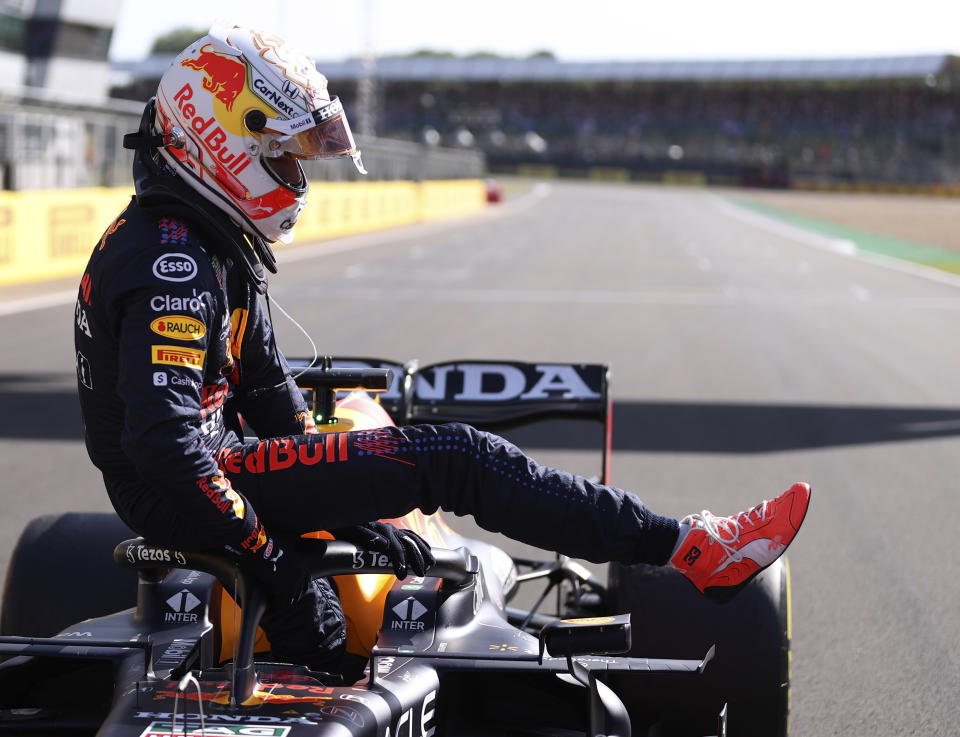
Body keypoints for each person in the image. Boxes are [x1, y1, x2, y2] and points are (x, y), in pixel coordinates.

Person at [74, 23, 810, 678]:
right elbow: (167, 446)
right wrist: (277, 572)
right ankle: (689, 548)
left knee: (415, 468)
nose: (298, 175)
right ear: (223, 140)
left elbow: (268, 394)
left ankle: (680, 543)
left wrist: (348, 510)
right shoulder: (171, 264)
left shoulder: (203, 241)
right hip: (185, 484)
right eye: (284, 153)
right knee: (454, 457)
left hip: (207, 469)